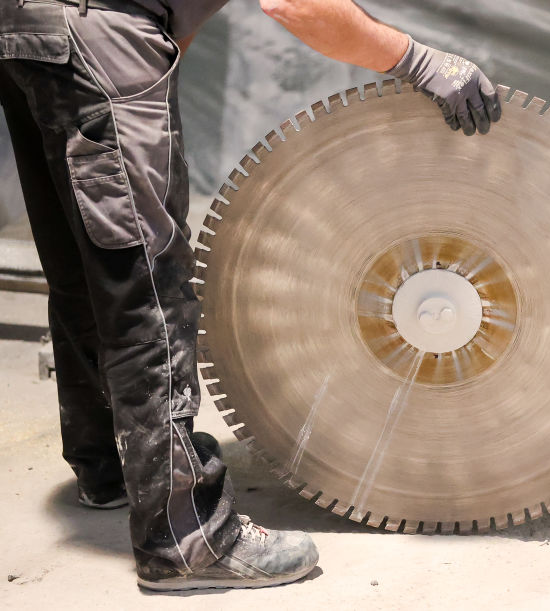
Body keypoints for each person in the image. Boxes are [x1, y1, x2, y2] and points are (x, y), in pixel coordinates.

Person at [0, 0, 501, 592]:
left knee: (90, 261)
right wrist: (416, 60)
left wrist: (145, 76)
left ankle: (104, 469)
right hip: (97, 34)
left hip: (28, 29)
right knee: (149, 284)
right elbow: (299, 4)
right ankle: (185, 540)